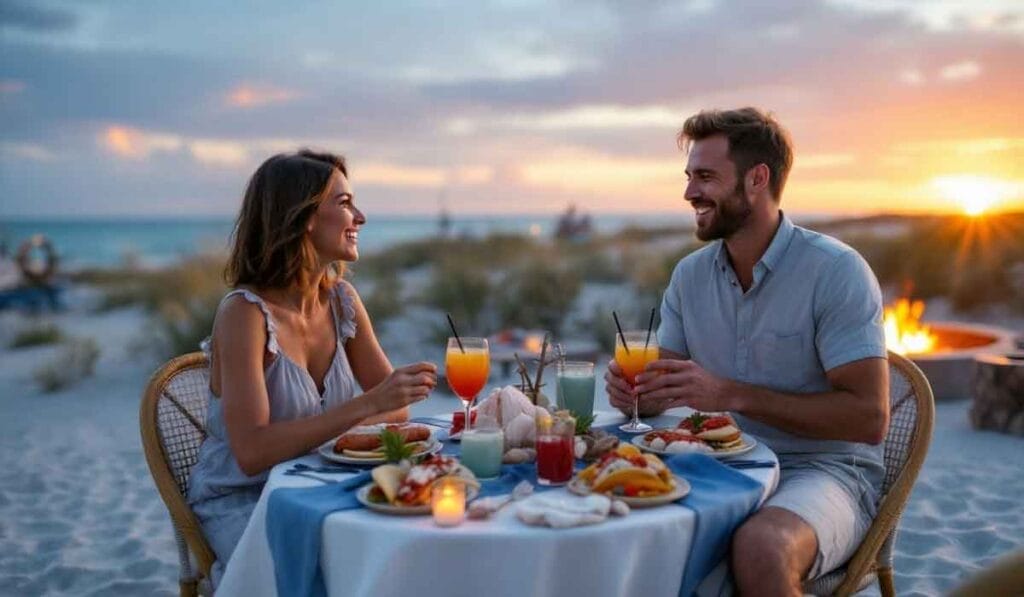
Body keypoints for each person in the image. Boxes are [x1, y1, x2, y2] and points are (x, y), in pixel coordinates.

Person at [605, 107, 889, 596]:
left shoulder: (835, 271)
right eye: (690, 176)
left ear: (757, 179)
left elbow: (868, 418)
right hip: (717, 465)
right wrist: (635, 392)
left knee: (761, 549)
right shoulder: (689, 277)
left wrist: (731, 394)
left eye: (706, 176)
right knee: (616, 522)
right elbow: (660, 391)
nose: (690, 192)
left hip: (822, 472)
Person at [187, 150, 437, 581]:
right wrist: (364, 406)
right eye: (344, 204)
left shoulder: (342, 301)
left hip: (320, 484)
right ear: (302, 217)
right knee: (347, 568)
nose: (359, 217)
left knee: (411, 544)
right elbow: (252, 453)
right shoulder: (244, 314)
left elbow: (395, 406)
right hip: (248, 499)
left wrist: (385, 399)